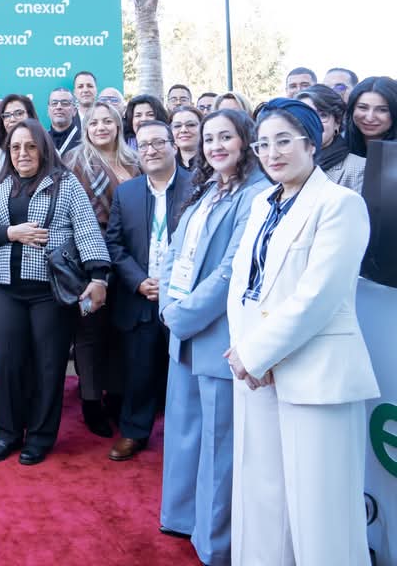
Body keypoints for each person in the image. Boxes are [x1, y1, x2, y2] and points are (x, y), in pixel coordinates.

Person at [226, 98, 378, 565]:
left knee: (321, 514)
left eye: (284, 141)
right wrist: (247, 354)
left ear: (312, 143)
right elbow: (242, 283)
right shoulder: (262, 203)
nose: (272, 153)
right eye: (263, 144)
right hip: (258, 375)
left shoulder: (340, 204)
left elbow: (319, 296)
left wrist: (258, 354)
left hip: (317, 377)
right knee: (265, 504)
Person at [157, 109, 268, 566]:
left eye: (226, 137)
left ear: (245, 141)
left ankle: (213, 542)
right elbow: (173, 253)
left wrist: (184, 315)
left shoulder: (256, 194)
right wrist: (169, 307)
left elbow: (232, 270)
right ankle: (181, 518)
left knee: (219, 446)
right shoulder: (206, 189)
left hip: (216, 334)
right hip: (182, 328)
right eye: (209, 138)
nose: (216, 146)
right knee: (184, 434)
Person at [0, 117, 110, 465]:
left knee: (48, 365)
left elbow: (87, 229)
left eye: (30, 146)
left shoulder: (66, 183)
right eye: (16, 147)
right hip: (4, 289)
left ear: (44, 149)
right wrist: (11, 233)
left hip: (50, 291)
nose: (22, 153)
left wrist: (99, 277)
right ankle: (8, 433)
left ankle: (40, 436)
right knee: (6, 363)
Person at [105, 120, 192, 461]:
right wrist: (138, 280)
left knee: (183, 373)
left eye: (158, 143)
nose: (151, 150)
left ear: (174, 145)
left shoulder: (198, 188)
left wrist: (173, 286)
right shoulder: (126, 192)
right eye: (144, 145)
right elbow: (114, 244)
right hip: (140, 294)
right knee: (139, 369)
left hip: (184, 297)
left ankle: (184, 438)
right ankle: (134, 432)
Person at [63, 102, 140, 436]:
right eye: (94, 123)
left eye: (107, 121)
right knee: (89, 332)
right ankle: (91, 402)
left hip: (130, 258)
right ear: (86, 128)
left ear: (118, 125)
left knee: (121, 330)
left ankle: (117, 398)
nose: (101, 127)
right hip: (88, 261)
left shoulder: (135, 161)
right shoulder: (73, 161)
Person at [296, 85, 365, 193]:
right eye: (305, 116)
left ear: (337, 122)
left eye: (322, 115)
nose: (313, 122)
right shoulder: (288, 163)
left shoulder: (359, 168)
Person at [0, 94, 38, 183]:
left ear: (30, 116)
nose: (12, 119)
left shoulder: (48, 151)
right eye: (7, 115)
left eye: (19, 113)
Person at [345, 76, 397, 157]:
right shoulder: (337, 145)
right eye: (363, 107)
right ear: (352, 109)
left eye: (382, 110)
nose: (370, 118)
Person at [45, 88, 82, 159]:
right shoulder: (41, 140)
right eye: (54, 103)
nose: (59, 107)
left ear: (74, 111)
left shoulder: (84, 140)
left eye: (65, 103)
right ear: (48, 110)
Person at [170, 106, 203, 170]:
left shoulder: (213, 164)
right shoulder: (165, 165)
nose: (183, 130)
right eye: (177, 126)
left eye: (191, 125)